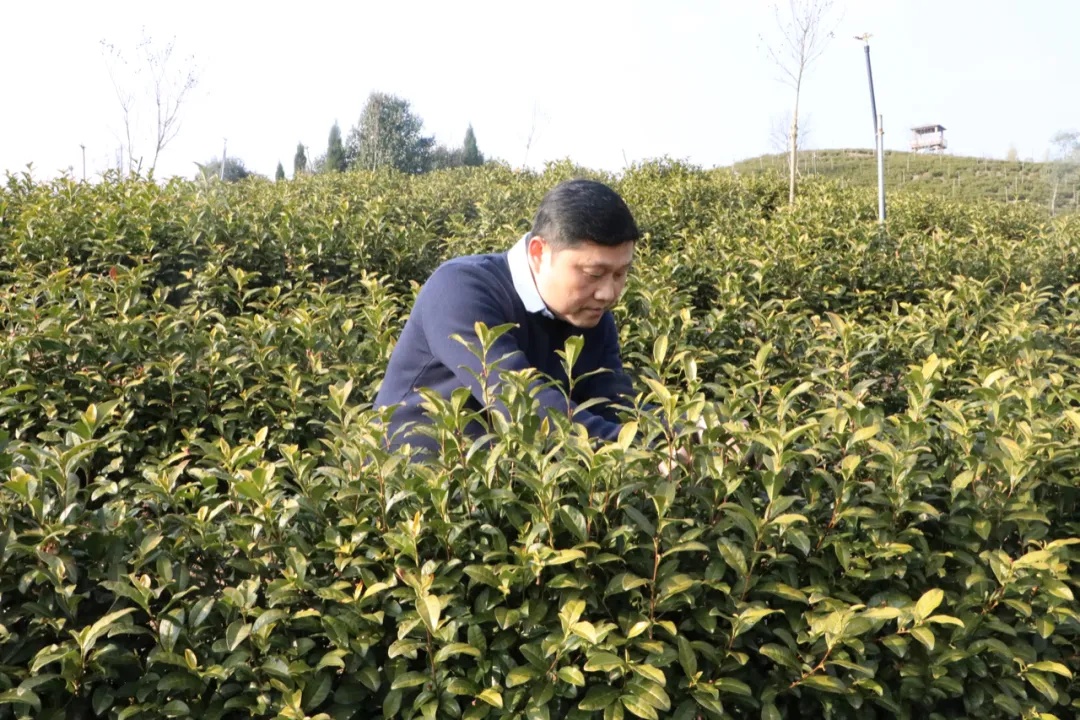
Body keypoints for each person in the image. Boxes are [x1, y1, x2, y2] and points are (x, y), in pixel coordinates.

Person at [373, 178, 642, 457]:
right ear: (539, 253)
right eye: (594, 274)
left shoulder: (590, 315)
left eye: (620, 274)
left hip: (507, 475)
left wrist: (667, 437)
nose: (608, 293)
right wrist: (637, 449)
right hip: (411, 473)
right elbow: (521, 404)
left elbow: (614, 403)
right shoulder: (459, 288)